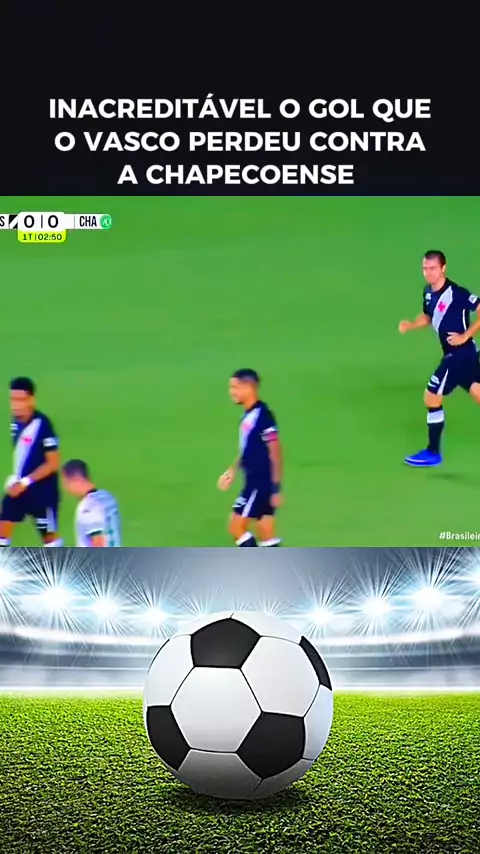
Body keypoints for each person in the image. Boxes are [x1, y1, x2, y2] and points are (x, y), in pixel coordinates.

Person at [399, 250, 480, 466]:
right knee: (477, 392)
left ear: (443, 268)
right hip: (461, 355)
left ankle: (433, 452)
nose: (428, 272)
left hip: (459, 355)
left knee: (431, 396)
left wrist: (465, 335)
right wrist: (411, 325)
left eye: (433, 268)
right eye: (425, 268)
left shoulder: (456, 293)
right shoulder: (428, 292)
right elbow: (428, 316)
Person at [218, 369, 283, 546]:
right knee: (266, 532)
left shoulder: (262, 416)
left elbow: (276, 451)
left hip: (258, 484)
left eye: (235, 387)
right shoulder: (249, 415)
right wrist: (233, 470)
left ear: (249, 388)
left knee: (236, 528)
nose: (231, 392)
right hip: (259, 482)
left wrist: (276, 488)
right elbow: (248, 448)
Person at [0, 377, 62, 546]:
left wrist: (25, 482)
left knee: (49, 538)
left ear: (31, 400)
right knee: (2, 526)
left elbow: (53, 463)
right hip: (20, 489)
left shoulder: (43, 426)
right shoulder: (15, 424)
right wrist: (16, 478)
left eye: (21, 400)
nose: (16, 405)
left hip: (43, 491)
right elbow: (24, 456)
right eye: (13, 399)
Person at [61, 459, 121, 546]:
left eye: (66, 481)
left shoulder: (88, 507)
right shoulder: (108, 497)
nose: (65, 487)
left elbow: (99, 542)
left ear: (76, 480)